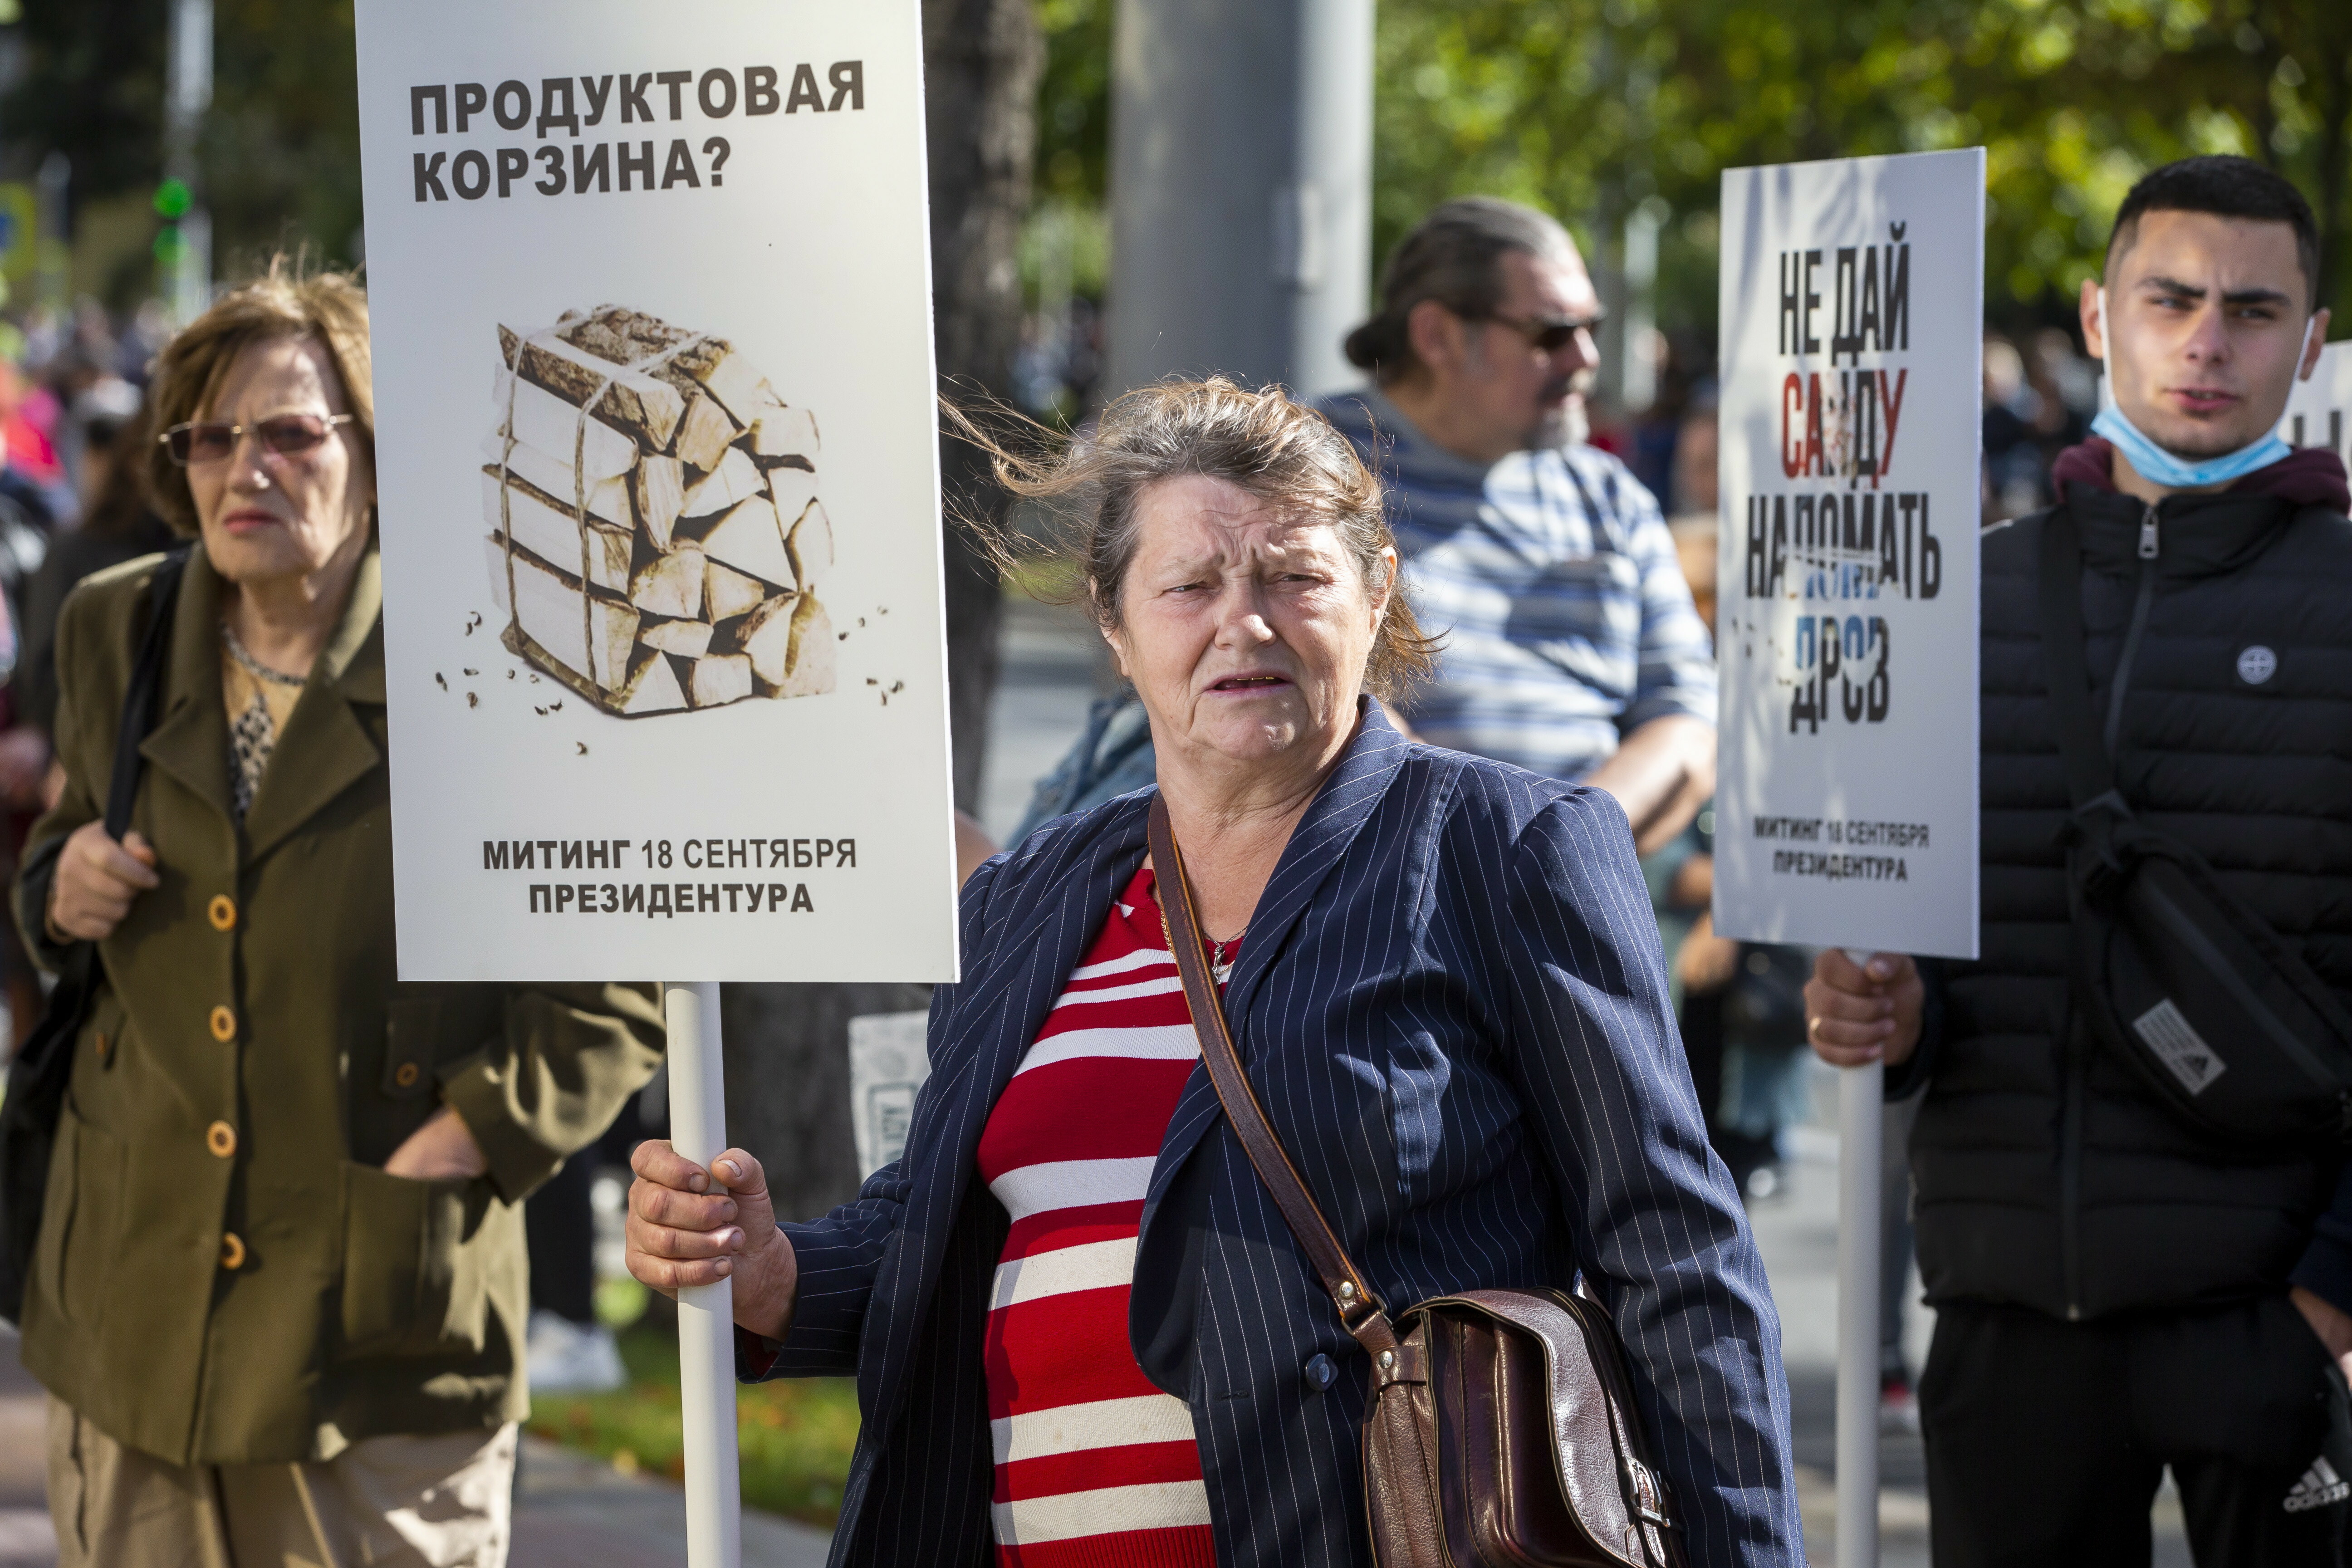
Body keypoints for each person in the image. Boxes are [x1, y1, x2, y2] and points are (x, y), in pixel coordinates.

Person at [628, 379, 1802, 1566]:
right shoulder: (1031, 894)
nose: (1246, 624)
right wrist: (773, 1271)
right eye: (1190, 586)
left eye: (1296, 578)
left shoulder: (1505, 848)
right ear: (1115, 623)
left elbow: (1675, 1259)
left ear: (1376, 591)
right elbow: (945, 1237)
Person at [14, 263, 665, 1568]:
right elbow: (54, 860)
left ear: (379, 451)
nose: (243, 467)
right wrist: (60, 881)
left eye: (291, 433)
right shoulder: (114, 627)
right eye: (210, 435)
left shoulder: (498, 658)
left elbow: (612, 993)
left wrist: (461, 1144)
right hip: (132, 1315)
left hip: (375, 1340)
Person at [1806, 155, 2352, 1564]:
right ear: (2103, 318)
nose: (2207, 339)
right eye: (2169, 296)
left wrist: (2333, 1296)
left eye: (2252, 307)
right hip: (2005, 1320)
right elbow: (1920, 952)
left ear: (2310, 333)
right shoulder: (1962, 594)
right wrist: (1896, 1017)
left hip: (2269, 1325)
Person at [1318, 196, 1715, 857]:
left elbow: (1688, 723)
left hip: (1586, 885)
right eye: (1553, 334)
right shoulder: (1309, 469)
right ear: (1438, 336)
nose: (1585, 357)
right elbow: (1319, 702)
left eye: (1594, 327)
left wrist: (1568, 850)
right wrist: (1484, 865)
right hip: (1388, 896)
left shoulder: (1608, 494)